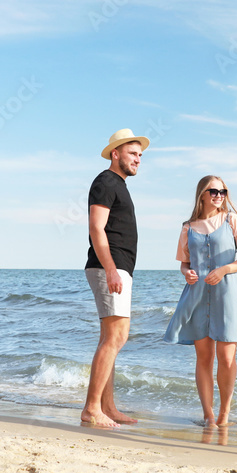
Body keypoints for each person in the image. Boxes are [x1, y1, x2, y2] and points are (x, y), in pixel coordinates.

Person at [164, 175, 237, 427]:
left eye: (223, 191)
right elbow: (184, 263)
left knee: (227, 357)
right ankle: (208, 415)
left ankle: (224, 412)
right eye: (214, 191)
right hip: (195, 295)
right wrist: (187, 272)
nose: (219, 195)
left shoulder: (233, 220)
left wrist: (225, 269)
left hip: (227, 293)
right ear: (202, 195)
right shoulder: (188, 227)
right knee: (203, 358)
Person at [81, 128, 149, 428]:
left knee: (111, 338)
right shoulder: (106, 181)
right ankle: (92, 409)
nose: (138, 159)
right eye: (133, 154)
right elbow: (97, 228)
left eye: (140, 156)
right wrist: (110, 268)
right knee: (116, 337)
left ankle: (106, 406)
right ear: (116, 153)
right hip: (110, 266)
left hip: (118, 267)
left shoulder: (118, 184)